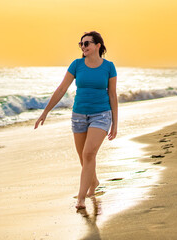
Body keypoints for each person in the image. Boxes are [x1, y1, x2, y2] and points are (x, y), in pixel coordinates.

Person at [34, 31, 118, 210]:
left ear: (98, 46)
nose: (83, 47)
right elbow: (62, 88)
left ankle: (81, 198)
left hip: (101, 115)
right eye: (81, 44)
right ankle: (93, 181)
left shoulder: (109, 67)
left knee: (89, 154)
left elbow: (112, 95)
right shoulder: (77, 64)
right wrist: (45, 112)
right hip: (79, 116)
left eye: (87, 43)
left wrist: (115, 124)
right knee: (83, 157)